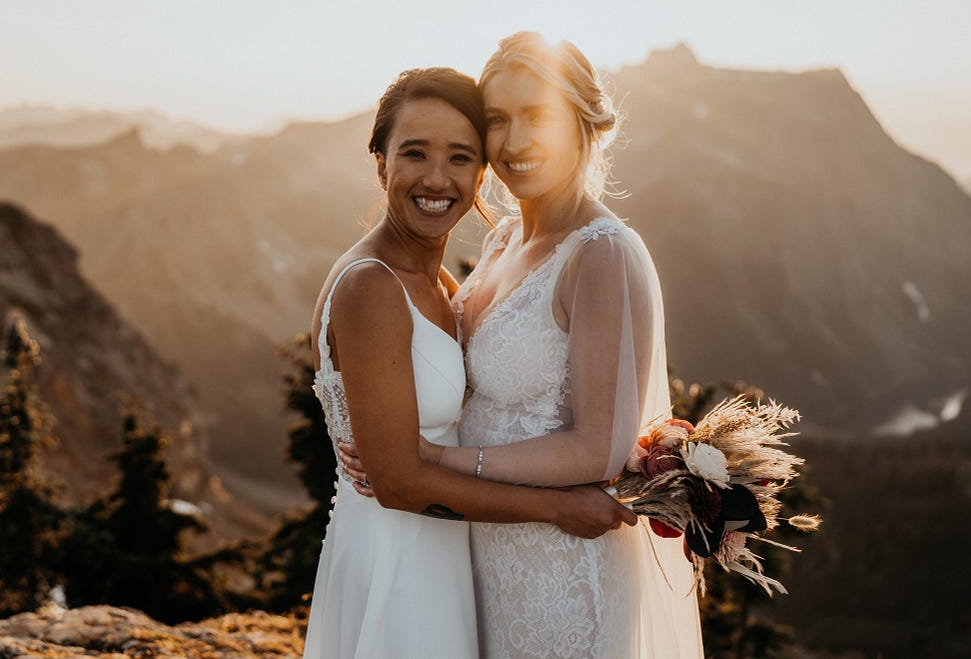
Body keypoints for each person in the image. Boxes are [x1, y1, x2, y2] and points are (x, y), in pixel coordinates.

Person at [342, 33, 704, 658]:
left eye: (537, 116)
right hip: (486, 554)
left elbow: (599, 450)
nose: (512, 143)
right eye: (497, 120)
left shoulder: (602, 254)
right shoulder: (502, 241)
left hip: (563, 573)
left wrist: (431, 459)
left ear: (584, 124)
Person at [301, 67, 636, 659]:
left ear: (482, 170)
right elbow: (399, 483)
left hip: (445, 553)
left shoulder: (442, 284)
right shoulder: (371, 286)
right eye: (414, 154)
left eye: (460, 157)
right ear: (380, 163)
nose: (437, 178)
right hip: (399, 562)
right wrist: (561, 507)